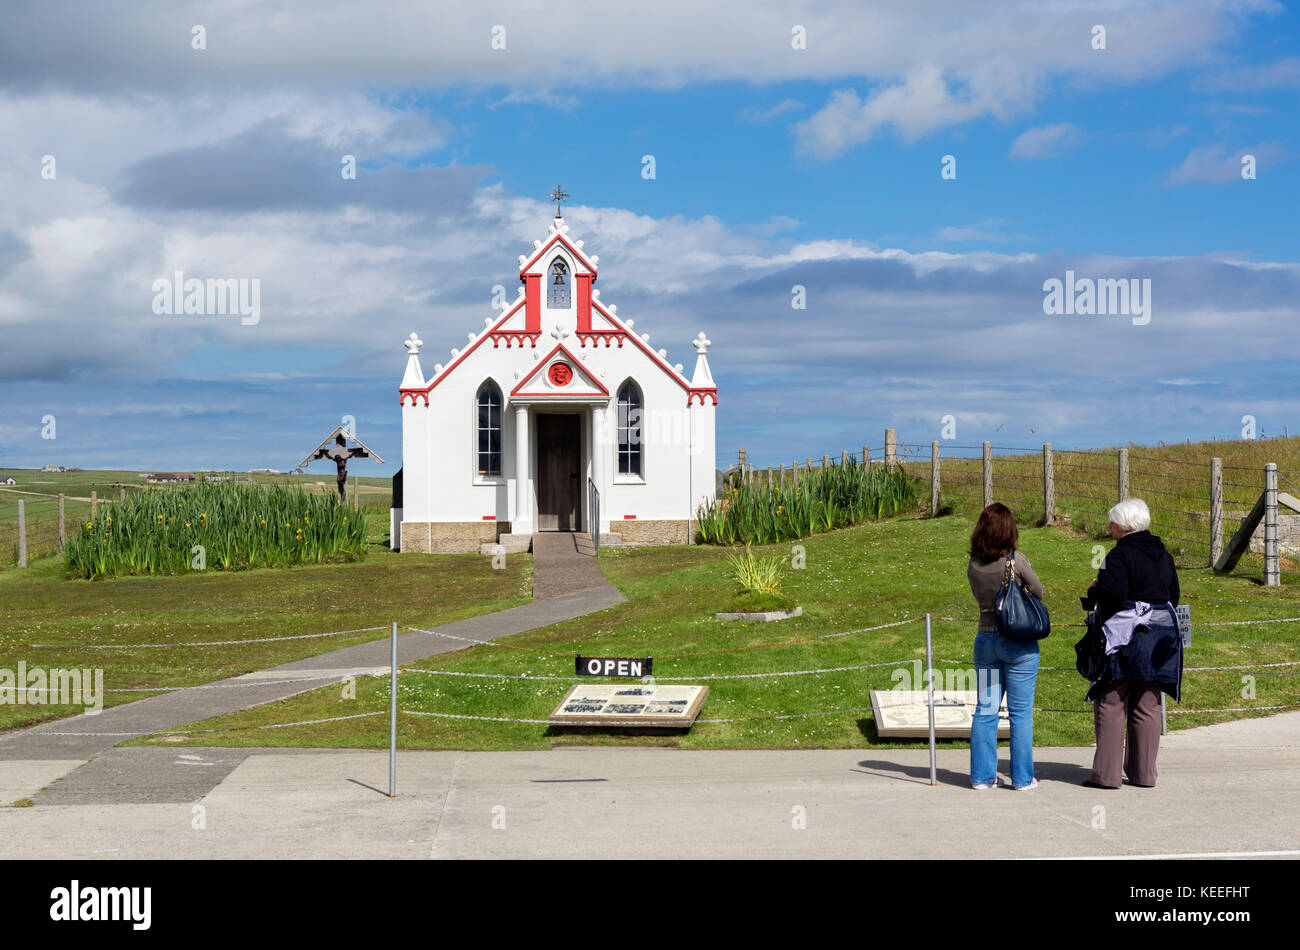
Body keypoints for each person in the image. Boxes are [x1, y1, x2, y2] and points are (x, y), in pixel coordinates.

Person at [1083, 498, 1182, 789]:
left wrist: (1095, 588)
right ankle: (1144, 774)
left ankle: (1107, 775)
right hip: (1161, 637)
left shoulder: (1119, 555)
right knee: (1148, 703)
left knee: (1111, 700)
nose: (1109, 527)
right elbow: (1173, 596)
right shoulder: (1163, 555)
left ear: (1124, 526)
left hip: (1125, 638)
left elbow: (1113, 595)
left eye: (1112, 522)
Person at [967, 503, 1045, 790]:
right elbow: (1039, 591)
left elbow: (979, 595)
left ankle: (982, 776)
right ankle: (1023, 779)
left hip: (986, 640)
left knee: (985, 710)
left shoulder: (973, 564)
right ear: (1010, 531)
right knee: (1020, 713)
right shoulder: (1016, 560)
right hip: (1018, 645)